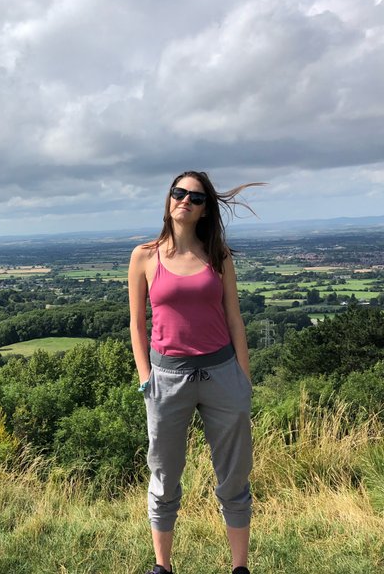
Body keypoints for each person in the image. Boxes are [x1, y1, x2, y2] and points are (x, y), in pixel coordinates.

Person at [128, 172, 263, 574]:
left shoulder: (218, 256)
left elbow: (234, 318)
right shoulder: (145, 256)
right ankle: (162, 567)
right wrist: (145, 378)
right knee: (165, 475)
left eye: (196, 197)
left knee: (234, 476)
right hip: (167, 379)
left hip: (222, 373)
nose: (185, 199)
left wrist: (243, 377)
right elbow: (137, 324)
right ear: (168, 199)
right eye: (178, 192)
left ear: (206, 209)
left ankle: (240, 568)